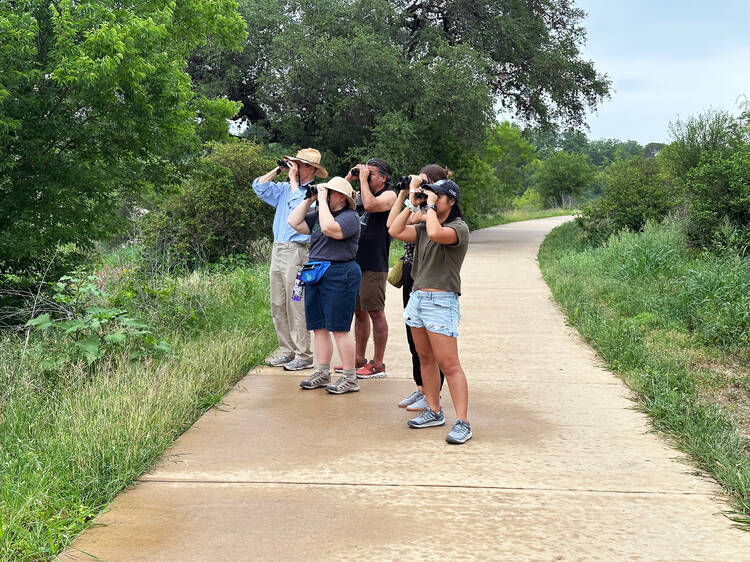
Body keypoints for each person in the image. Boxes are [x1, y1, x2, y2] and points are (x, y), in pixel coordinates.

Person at [388, 178, 472, 444]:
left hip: (441, 301)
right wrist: (411, 203)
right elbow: (394, 229)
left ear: (451, 200)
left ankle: (463, 422)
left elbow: (437, 234)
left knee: (449, 365)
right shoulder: (425, 224)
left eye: (438, 195)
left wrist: (430, 209)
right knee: (425, 359)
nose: (432, 198)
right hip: (418, 299)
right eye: (431, 194)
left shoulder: (459, 228)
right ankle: (434, 410)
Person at [253, 149, 328, 371]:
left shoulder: (316, 193)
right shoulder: (285, 188)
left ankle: (303, 354)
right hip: (278, 249)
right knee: (277, 302)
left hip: (297, 251)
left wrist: (294, 181)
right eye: (293, 163)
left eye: (300, 165)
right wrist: (279, 170)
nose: (295, 167)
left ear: (312, 169)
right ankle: (286, 350)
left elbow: (299, 207)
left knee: (296, 303)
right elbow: (258, 187)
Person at [287, 176, 363, 395]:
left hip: (340, 272)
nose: (326, 194)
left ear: (341, 196)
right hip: (316, 272)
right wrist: (310, 199)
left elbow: (331, 229)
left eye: (329, 192)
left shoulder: (350, 217)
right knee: (318, 326)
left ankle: (350, 377)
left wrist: (320, 197)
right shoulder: (321, 215)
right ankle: (322, 372)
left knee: (338, 328)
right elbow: (294, 222)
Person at [386, 165, 449, 411]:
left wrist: (416, 196)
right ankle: (421, 387)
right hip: (412, 276)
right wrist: (403, 193)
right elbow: (392, 226)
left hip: (430, 280)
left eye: (424, 183)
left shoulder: (434, 211)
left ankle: (434, 393)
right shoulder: (419, 206)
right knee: (415, 340)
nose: (419, 187)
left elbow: (409, 223)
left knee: (432, 342)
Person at [336, 158, 396, 379]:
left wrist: (362, 180)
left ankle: (378, 363)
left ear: (383, 177)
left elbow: (370, 206)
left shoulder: (389, 195)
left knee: (375, 312)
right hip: (354, 261)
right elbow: (337, 198)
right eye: (365, 173)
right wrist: (349, 178)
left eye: (371, 174)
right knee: (358, 312)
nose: (367, 177)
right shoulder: (360, 192)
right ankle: (358, 359)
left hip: (374, 263)